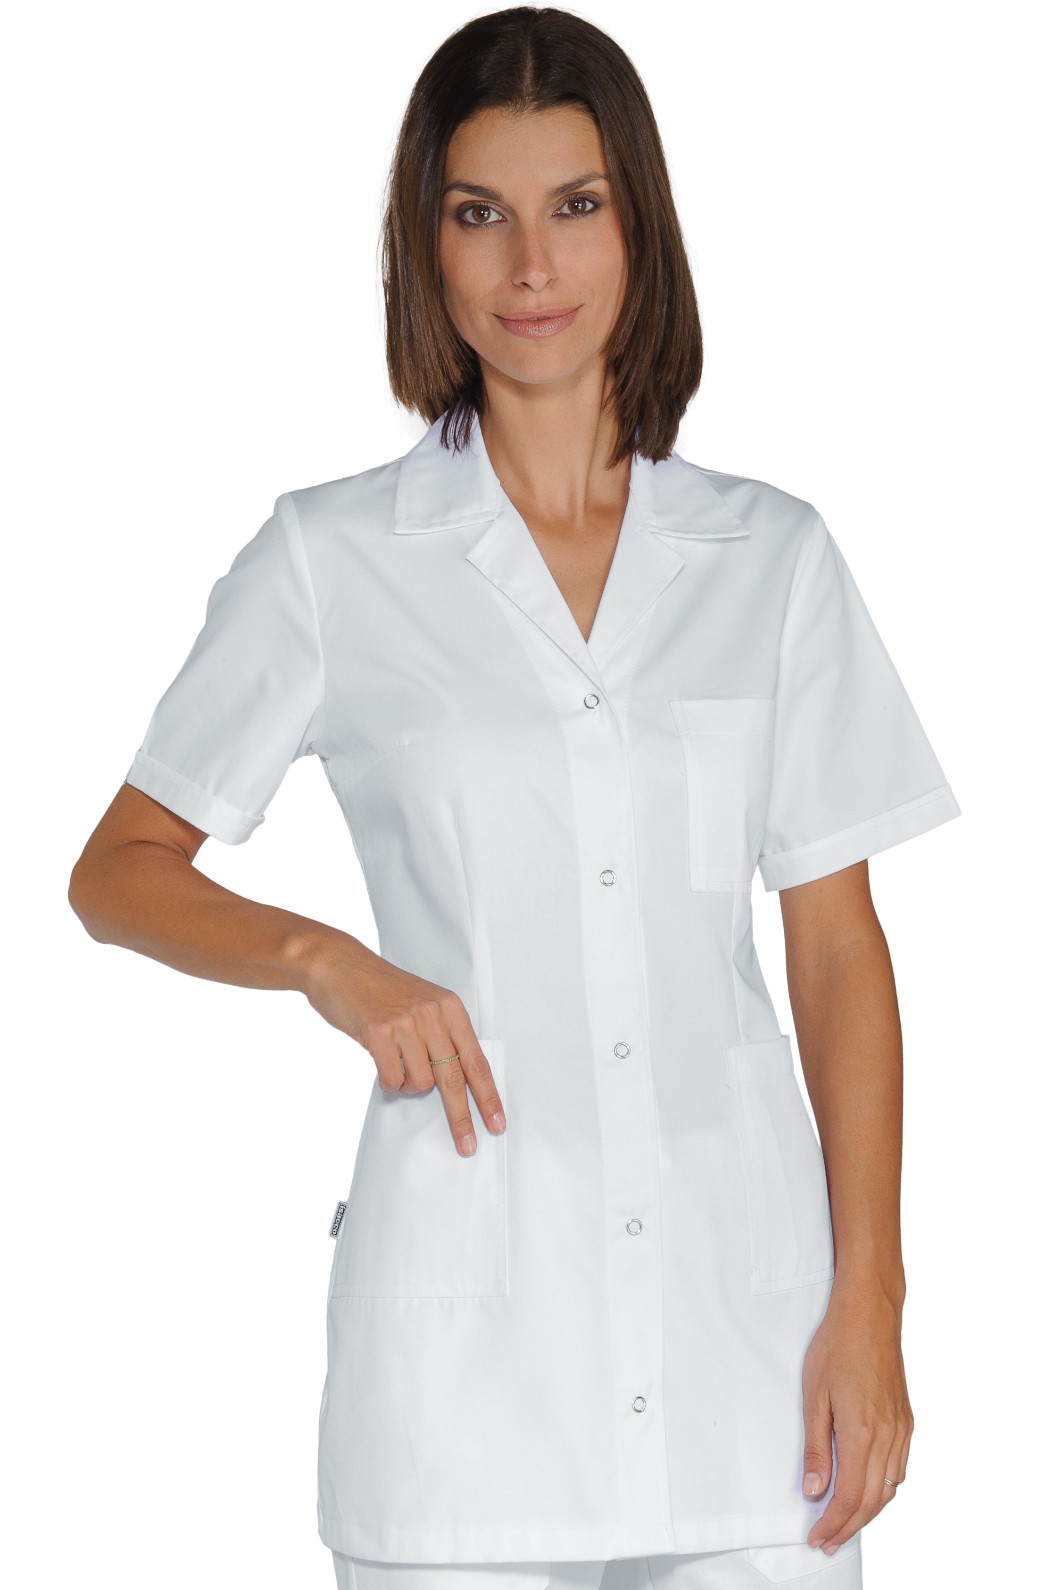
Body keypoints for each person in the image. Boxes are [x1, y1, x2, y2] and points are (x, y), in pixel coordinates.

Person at [68, 7, 961, 1589]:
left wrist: (872, 1298)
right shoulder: (330, 560)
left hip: (747, 1351)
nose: (531, 266)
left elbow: (836, 947)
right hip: (463, 1377)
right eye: (481, 213)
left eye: (577, 206)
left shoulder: (772, 558)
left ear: (639, 228)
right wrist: (329, 963)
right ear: (426, 245)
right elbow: (121, 867)